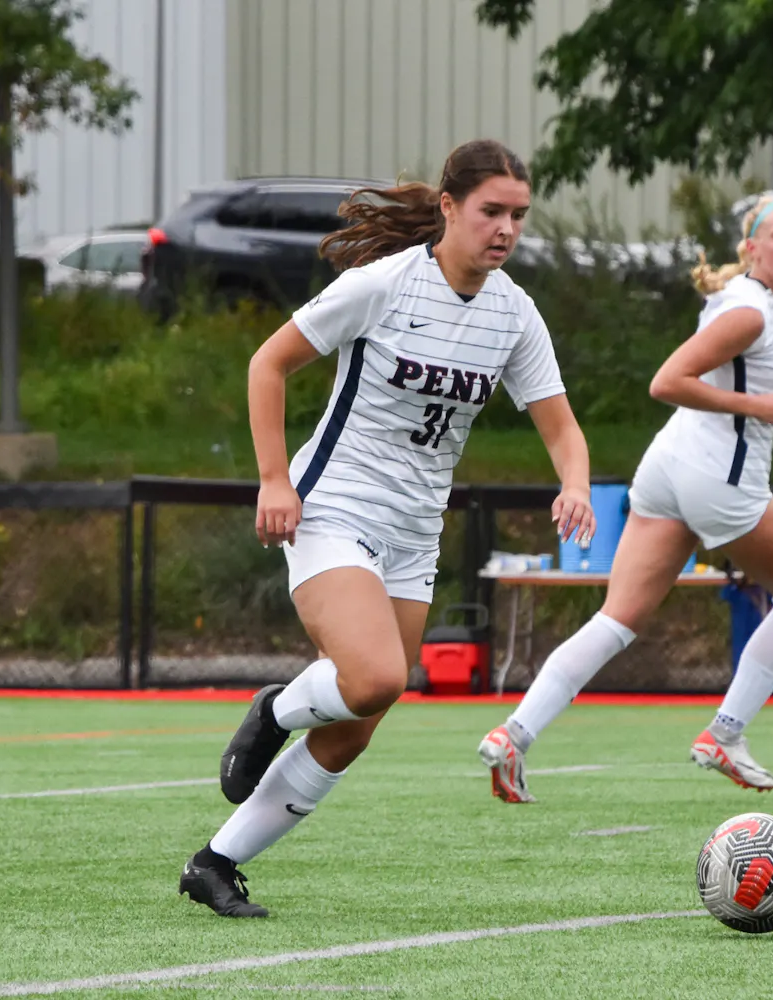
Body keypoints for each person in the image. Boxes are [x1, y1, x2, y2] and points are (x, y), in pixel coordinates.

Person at [178, 140, 596, 917]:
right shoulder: (384, 285)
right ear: (448, 208)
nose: (505, 229)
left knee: (359, 724)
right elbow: (267, 365)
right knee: (372, 678)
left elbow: (563, 429)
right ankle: (274, 709)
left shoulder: (513, 313)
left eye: (518, 216)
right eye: (490, 212)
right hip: (333, 504)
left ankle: (217, 861)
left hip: (413, 531)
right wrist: (274, 480)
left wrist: (575, 483)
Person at [477, 194, 773, 802]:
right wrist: (757, 407)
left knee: (617, 618)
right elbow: (669, 382)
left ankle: (514, 735)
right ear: (752, 248)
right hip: (718, 478)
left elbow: (756, 375)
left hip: (667, 469)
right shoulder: (751, 312)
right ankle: (725, 733)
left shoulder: (752, 305)